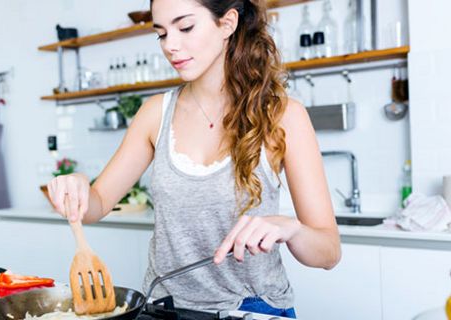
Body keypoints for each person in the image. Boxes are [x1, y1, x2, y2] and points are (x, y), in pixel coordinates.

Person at [46, 0, 341, 317]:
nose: (171, 46)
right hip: (165, 310)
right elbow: (98, 202)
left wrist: (291, 228)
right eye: (161, 34)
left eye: (185, 27)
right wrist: (77, 188)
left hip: (253, 309)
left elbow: (328, 253)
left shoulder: (283, 116)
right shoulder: (154, 114)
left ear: (227, 23)